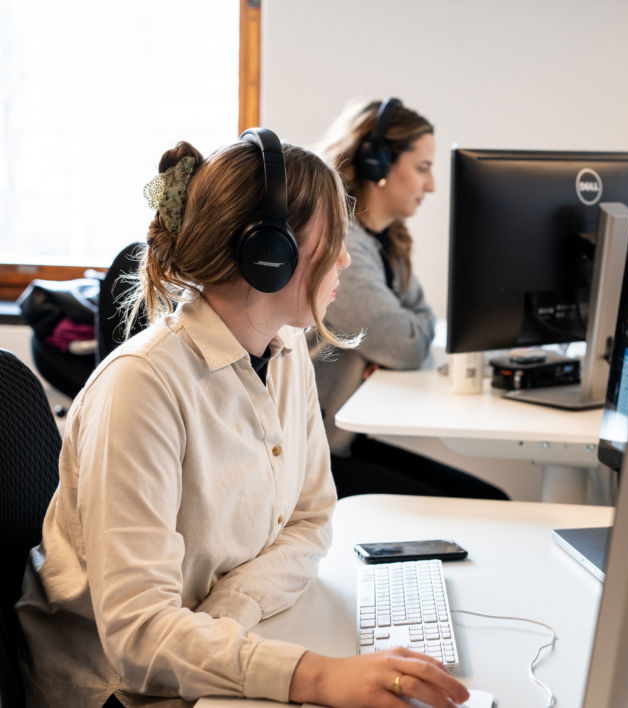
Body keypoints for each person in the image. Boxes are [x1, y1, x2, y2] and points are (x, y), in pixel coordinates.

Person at [15, 130, 470, 708]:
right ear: (269, 254)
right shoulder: (141, 387)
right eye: (334, 237)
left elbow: (309, 520)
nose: (348, 258)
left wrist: (227, 615)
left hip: (212, 653)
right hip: (116, 690)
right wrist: (316, 676)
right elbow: (137, 635)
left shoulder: (288, 355)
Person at [309, 98, 508, 500]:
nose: (431, 185)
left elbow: (420, 320)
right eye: (422, 168)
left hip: (342, 442)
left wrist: (392, 336)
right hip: (316, 460)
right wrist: (390, 340)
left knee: (491, 499)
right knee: (486, 504)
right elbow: (406, 343)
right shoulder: (343, 245)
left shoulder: (385, 241)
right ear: (377, 165)